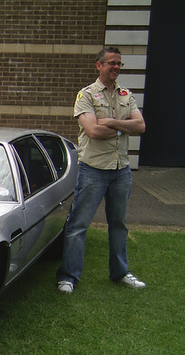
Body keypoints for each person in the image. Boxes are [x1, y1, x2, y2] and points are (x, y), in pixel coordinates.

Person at [56, 47, 146, 294]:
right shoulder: (86, 95)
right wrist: (123, 128)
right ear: (99, 66)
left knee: (118, 224)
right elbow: (94, 132)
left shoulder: (126, 95)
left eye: (119, 64)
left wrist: (112, 123)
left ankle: (120, 273)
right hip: (93, 170)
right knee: (79, 224)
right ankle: (68, 276)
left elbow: (141, 126)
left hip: (121, 170)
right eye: (111, 63)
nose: (116, 67)